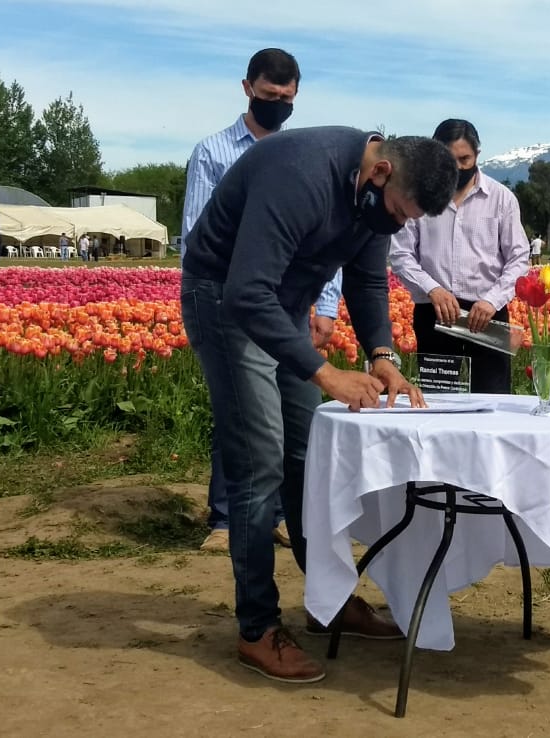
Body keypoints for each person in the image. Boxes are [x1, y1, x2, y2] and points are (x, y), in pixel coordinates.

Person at [182, 127, 457, 682]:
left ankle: (326, 602)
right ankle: (257, 628)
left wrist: (380, 353)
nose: (399, 224)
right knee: (260, 465)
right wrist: (326, 373)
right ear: (379, 173)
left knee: (310, 461)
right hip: (226, 302)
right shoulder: (300, 175)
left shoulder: (374, 198)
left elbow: (365, 278)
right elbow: (245, 292)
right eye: (400, 211)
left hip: (280, 306)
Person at [182, 48, 344, 554]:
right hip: (232, 295)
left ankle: (279, 518)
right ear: (247, 87)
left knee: (292, 421)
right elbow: (195, 232)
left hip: (291, 300)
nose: (279, 103)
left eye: (288, 97)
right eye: (270, 95)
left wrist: (325, 306)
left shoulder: (304, 155)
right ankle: (227, 516)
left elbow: (329, 244)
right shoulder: (212, 151)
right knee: (243, 412)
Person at [391, 119, 530, 394]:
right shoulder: (417, 195)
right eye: (448, 160)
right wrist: (432, 288)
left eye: (464, 159)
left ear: (477, 154)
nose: (456, 167)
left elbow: (518, 257)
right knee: (438, 399)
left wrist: (492, 300)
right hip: (436, 310)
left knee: (493, 400)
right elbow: (400, 253)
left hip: (487, 313)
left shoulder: (501, 199)